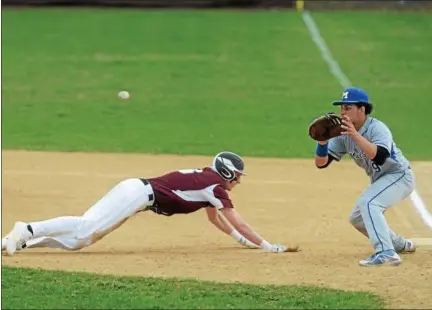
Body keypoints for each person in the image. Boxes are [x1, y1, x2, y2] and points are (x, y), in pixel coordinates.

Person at [2, 151, 295, 256]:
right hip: (138, 194)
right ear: (228, 173)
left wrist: (242, 241)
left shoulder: (208, 185)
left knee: (81, 241)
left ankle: (21, 242)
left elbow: (215, 219)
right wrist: (265, 245)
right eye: (237, 176)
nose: (239, 181)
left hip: (137, 195)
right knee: (84, 226)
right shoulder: (215, 186)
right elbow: (235, 217)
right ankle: (25, 229)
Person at [314, 87, 416, 267]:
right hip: (381, 180)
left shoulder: (377, 128)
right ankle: (399, 244)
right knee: (358, 218)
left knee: (369, 203)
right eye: (342, 107)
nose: (343, 112)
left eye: (348, 107)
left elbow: (379, 156)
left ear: (362, 109)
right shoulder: (342, 134)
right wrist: (322, 143)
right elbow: (321, 163)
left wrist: (354, 135)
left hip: (399, 176)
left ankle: (386, 253)